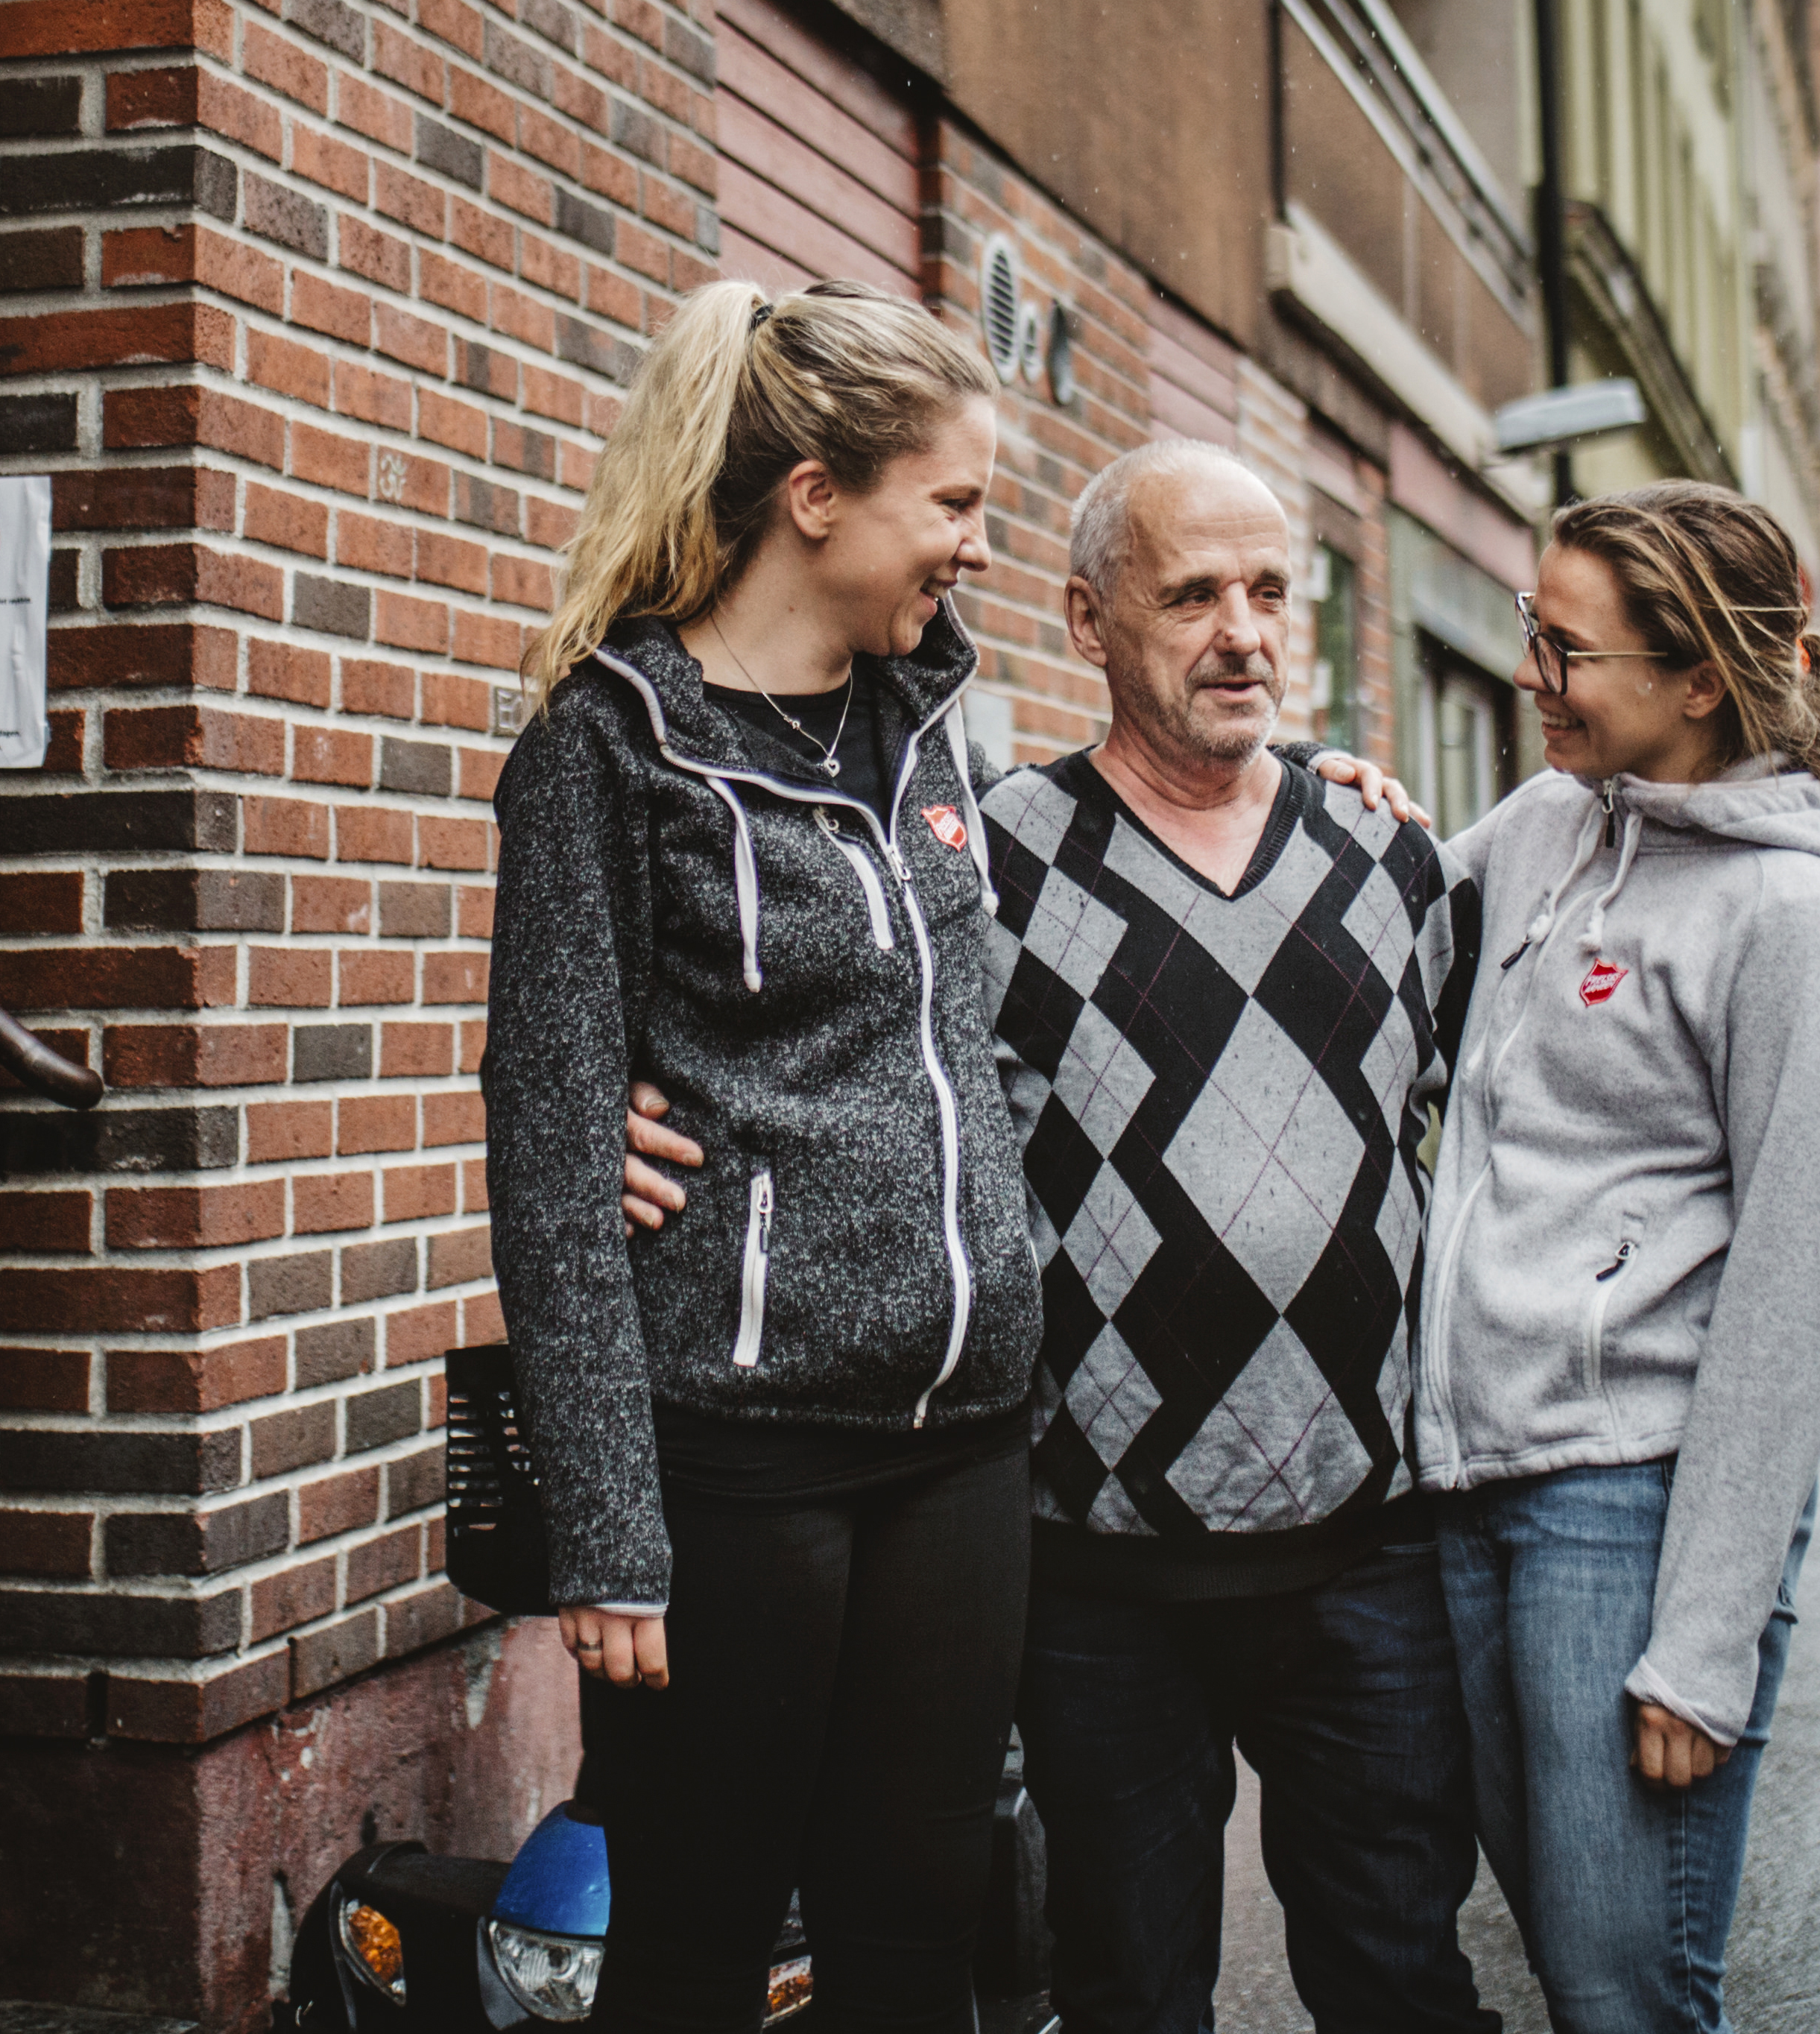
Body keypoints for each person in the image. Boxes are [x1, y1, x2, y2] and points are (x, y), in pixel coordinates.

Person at [634, 440, 1503, 2034]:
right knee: (1123, 1988)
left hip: (1365, 1552)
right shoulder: (980, 860)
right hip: (1096, 1566)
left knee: (1403, 1976)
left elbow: (1489, 1133)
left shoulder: (1396, 861)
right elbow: (829, 1049)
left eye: (1268, 593)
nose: (1242, 631)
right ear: (1090, 620)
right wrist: (635, 1104)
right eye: (1192, 596)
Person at [483, 278, 1046, 2034]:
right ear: (816, 495)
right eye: (947, 503)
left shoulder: (935, 725)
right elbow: (555, 1152)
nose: (970, 545)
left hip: (957, 1437)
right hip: (735, 1458)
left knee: (913, 1930)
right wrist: (604, 1532)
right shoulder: (608, 742)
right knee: (694, 1939)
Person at [1416, 482, 1820, 2034]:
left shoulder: (1796, 925)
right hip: (1473, 1482)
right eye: (1529, 633)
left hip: (1626, 1507)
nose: (1531, 677)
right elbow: (1382, 925)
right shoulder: (1552, 828)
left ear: (1699, 678)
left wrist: (1701, 1649)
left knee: (1624, 1994)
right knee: (1569, 1969)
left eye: (1569, 652)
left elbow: (1797, 1299)